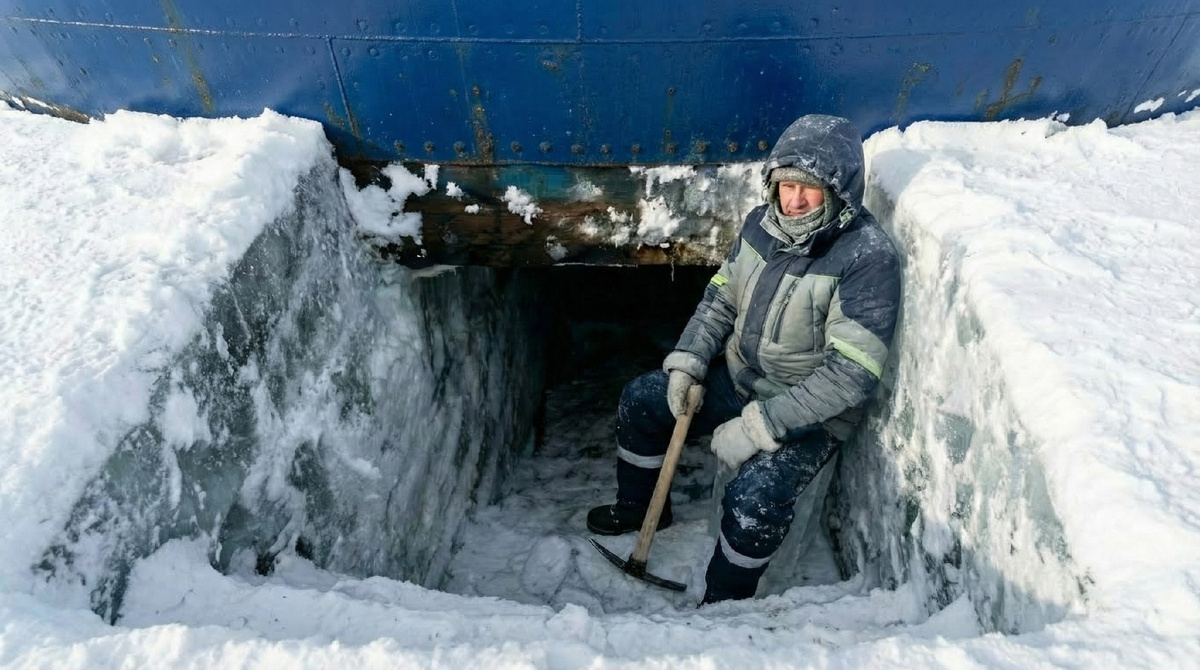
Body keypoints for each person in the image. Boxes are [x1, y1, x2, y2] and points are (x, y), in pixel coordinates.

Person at [586, 114, 902, 604]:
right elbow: (721, 299)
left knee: (755, 496)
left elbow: (850, 376)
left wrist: (760, 428)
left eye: (808, 189)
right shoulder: (762, 224)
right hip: (740, 381)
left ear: (840, 190)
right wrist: (690, 360)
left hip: (810, 415)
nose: (793, 201)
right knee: (643, 400)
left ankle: (725, 599)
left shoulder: (866, 258)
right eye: (786, 185)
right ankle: (640, 507)